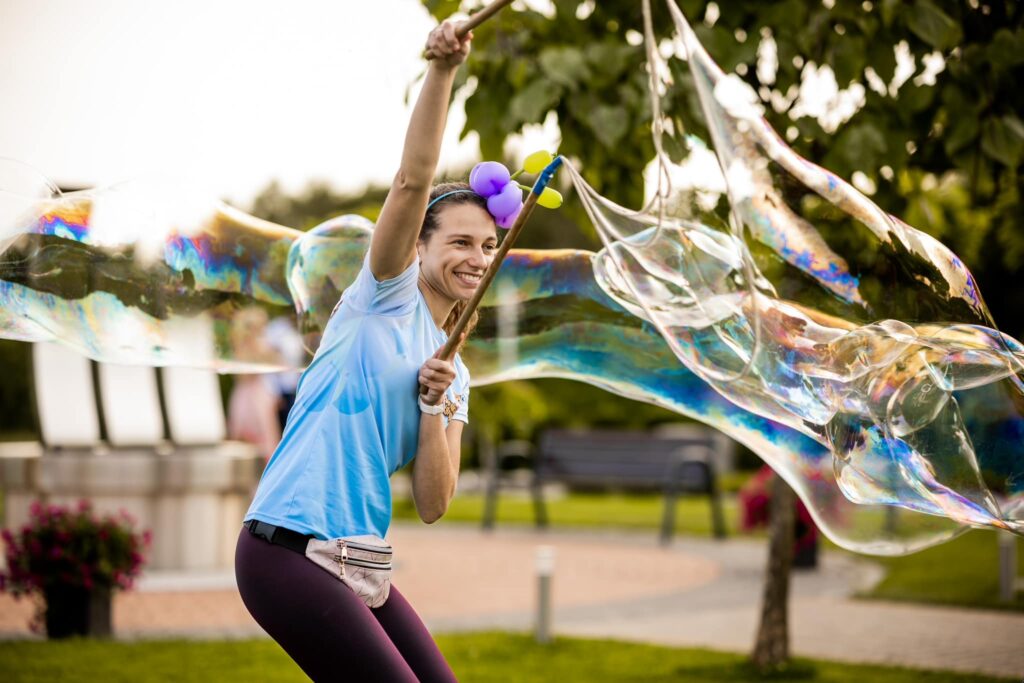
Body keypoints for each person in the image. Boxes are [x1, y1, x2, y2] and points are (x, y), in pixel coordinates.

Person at [234, 20, 493, 683]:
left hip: (362, 559)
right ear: (421, 249)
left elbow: (434, 502)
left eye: (488, 246)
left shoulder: (455, 370)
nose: (475, 257)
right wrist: (442, 71)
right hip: (285, 551)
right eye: (459, 241)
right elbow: (413, 180)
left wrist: (434, 404)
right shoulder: (382, 296)